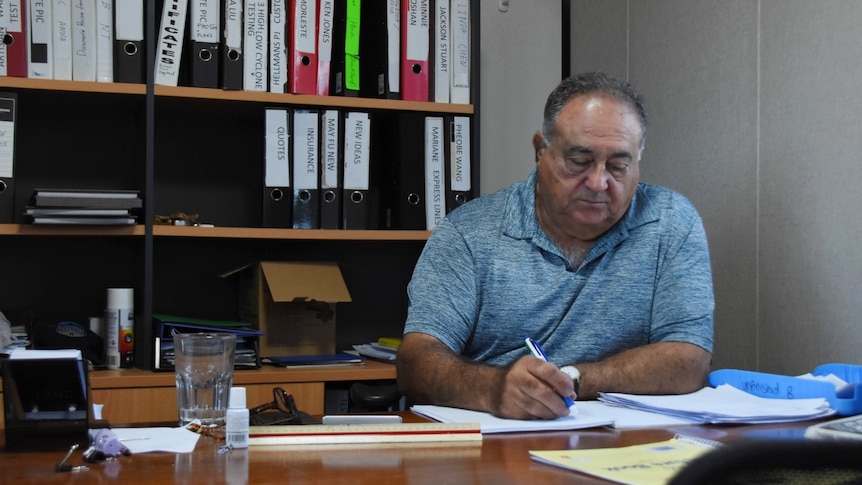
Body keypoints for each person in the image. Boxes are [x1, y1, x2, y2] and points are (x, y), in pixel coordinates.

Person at [396, 71, 714, 420]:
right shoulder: (469, 233)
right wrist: (494, 388)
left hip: (625, 443)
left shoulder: (670, 221)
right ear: (540, 150)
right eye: (579, 161)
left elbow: (688, 359)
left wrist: (571, 380)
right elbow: (416, 363)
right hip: (500, 438)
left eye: (619, 165)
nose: (598, 182)